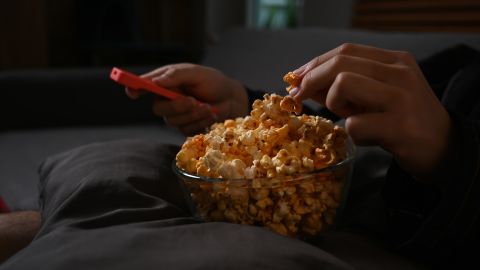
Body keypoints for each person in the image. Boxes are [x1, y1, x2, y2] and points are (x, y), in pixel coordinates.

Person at [1, 43, 479, 269]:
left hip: (410, 228)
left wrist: (452, 155)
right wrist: (237, 102)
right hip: (336, 181)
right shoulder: (461, 64)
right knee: (117, 166)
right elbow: (322, 119)